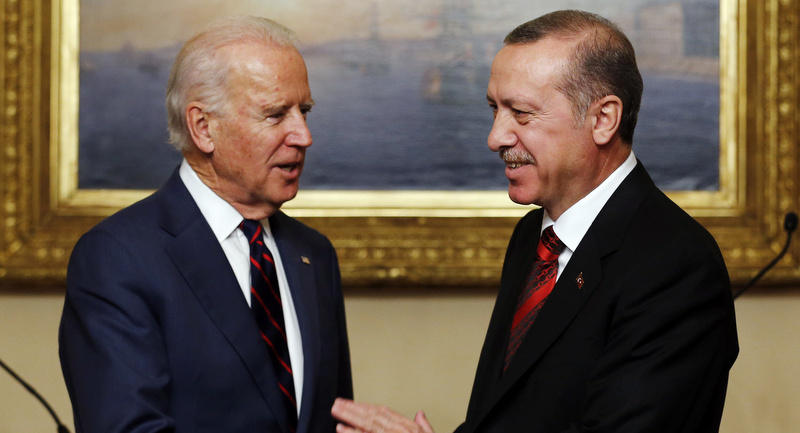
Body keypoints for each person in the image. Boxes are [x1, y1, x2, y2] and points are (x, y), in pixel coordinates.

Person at [331, 9, 738, 433]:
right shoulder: (534, 234)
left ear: (603, 119)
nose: (495, 137)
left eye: (521, 114)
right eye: (494, 109)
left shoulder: (677, 266)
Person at [59, 15, 352, 433]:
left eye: (303, 111)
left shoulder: (313, 253)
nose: (303, 135)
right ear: (203, 127)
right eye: (275, 115)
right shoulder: (119, 257)